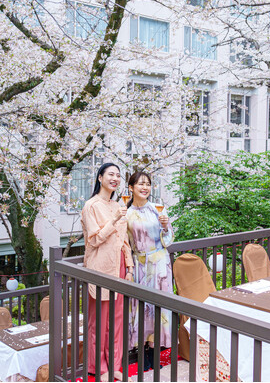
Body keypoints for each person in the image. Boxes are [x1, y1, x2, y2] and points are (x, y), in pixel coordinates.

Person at [81, 163, 134, 381]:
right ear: (100, 177)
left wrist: (129, 266)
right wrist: (114, 220)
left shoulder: (117, 204)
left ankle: (116, 365)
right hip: (100, 267)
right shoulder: (91, 206)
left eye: (118, 176)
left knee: (117, 319)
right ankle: (99, 367)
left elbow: (124, 240)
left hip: (119, 266)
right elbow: (93, 240)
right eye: (110, 174)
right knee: (98, 321)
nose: (115, 178)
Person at [125, 171, 173, 371]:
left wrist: (165, 227)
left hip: (160, 263)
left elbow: (168, 239)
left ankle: (155, 353)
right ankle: (142, 353)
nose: (145, 187)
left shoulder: (156, 209)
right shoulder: (125, 213)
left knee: (159, 308)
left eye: (148, 184)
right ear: (131, 188)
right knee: (140, 308)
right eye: (140, 184)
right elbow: (125, 242)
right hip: (140, 265)